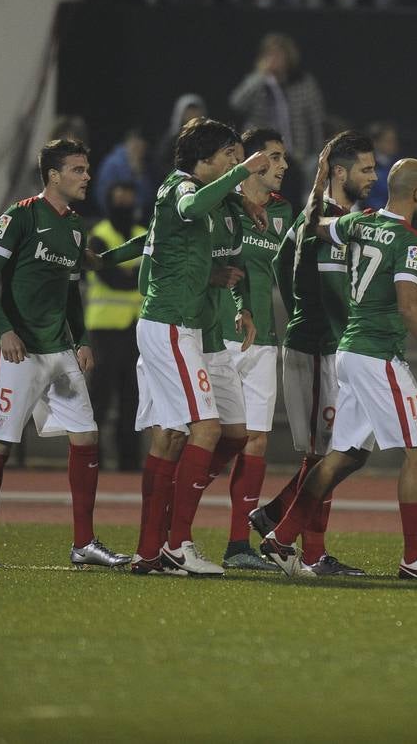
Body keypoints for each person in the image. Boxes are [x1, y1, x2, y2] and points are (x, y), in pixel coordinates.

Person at [259, 152, 417, 582]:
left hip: (349, 352)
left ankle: (280, 539)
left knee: (347, 455)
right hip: (377, 354)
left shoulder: (360, 221)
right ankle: (415, 560)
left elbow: (312, 227)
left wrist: (318, 183)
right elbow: (408, 307)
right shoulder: (410, 240)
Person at [0, 138, 128, 570]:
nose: (87, 176)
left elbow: (72, 288)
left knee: (87, 436)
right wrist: (4, 331)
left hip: (59, 352)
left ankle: (83, 543)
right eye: (78, 169)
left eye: (86, 168)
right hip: (19, 353)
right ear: (53, 175)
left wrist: (82, 339)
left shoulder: (75, 225)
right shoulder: (19, 217)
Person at [127, 118, 270, 576]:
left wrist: (239, 198)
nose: (236, 161)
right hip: (170, 324)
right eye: (229, 155)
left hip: (190, 327)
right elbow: (189, 208)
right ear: (205, 159)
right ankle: (176, 543)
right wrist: (239, 178)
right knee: (201, 430)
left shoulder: (215, 198)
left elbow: (201, 248)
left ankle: (151, 549)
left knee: (203, 434)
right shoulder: (179, 189)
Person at [249, 130, 379, 577]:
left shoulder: (328, 215)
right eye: (366, 167)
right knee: (328, 453)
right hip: (322, 347)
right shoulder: (326, 219)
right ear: (339, 172)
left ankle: (277, 519)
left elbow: (284, 262)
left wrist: (299, 303)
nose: (373, 176)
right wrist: (310, 314)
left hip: (324, 344)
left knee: (333, 452)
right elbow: (316, 284)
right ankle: (306, 551)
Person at [213, 129, 296, 570]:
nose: (283, 166)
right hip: (218, 337)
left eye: (285, 159)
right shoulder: (222, 204)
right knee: (206, 438)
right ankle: (170, 525)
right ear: (253, 161)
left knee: (257, 440)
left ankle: (237, 546)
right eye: (276, 157)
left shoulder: (284, 213)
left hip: (263, 341)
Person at [85, 183, 148, 471]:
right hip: (105, 329)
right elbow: (111, 277)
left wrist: (128, 273)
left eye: (128, 199)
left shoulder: (141, 235)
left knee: (132, 398)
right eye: (119, 199)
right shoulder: (99, 236)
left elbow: (143, 275)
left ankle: (129, 461)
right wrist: (132, 274)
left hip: (136, 330)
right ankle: (91, 459)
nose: (124, 205)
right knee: (100, 396)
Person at [229, 32, 326, 204]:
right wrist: (261, 76)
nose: (274, 60)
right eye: (270, 55)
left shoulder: (303, 83)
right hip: (261, 154)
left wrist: (318, 151)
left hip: (296, 154)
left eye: (279, 55)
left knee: (299, 191)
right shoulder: (258, 82)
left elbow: (316, 121)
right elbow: (237, 102)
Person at [92, 128, 155, 221]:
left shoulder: (144, 165)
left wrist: (138, 174)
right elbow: (102, 195)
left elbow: (149, 198)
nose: (139, 149)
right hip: (112, 219)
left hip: (137, 221)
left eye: (142, 146)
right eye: (135, 145)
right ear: (127, 143)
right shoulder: (112, 163)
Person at [364, 121, 399, 209]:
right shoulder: (366, 167)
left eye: (394, 140)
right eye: (388, 141)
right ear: (376, 143)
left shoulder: (400, 163)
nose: (393, 144)